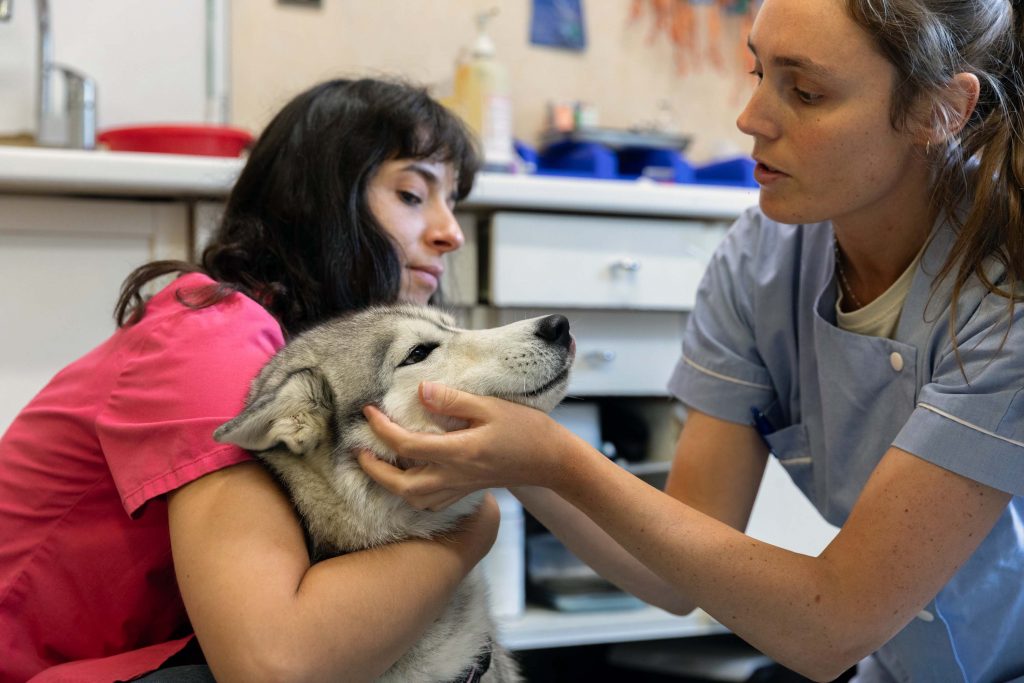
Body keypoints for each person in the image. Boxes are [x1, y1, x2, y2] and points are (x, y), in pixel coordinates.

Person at [359, 1, 1024, 680]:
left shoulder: (1009, 301)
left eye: (805, 92)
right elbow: (672, 570)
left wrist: (557, 458)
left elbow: (834, 625)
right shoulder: (764, 258)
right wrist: (515, 456)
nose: (751, 119)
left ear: (940, 110)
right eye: (757, 71)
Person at [0, 77, 492, 682]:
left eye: (453, 202)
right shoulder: (218, 336)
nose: (451, 233)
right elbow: (273, 665)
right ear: (320, 202)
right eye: (414, 195)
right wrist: (475, 521)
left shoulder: (298, 352)